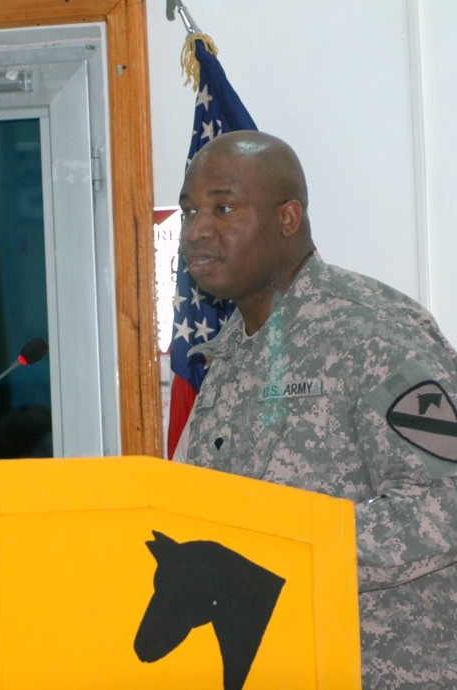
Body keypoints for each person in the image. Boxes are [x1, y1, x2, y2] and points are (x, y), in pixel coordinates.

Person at [172, 130, 457, 688]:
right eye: (189, 211)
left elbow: (446, 499)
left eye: (224, 207)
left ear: (288, 217)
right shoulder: (229, 352)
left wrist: (285, 552)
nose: (197, 230)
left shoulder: (371, 334)